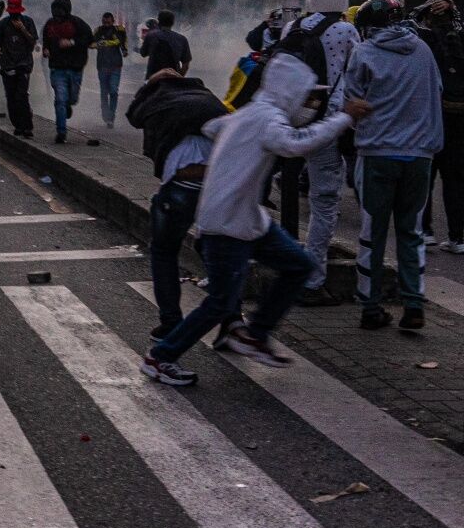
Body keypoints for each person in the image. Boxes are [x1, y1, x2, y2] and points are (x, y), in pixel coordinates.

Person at [140, 53, 355, 387]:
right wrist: (344, 118)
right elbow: (297, 144)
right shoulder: (268, 120)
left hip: (248, 219)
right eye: (307, 96)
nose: (310, 104)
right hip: (228, 225)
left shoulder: (248, 114)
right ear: (290, 92)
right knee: (220, 302)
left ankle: (254, 334)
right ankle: (161, 357)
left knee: (299, 265)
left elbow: (214, 127)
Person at [337, 0, 444, 331]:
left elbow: (350, 102)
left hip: (377, 155)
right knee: (410, 232)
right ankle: (413, 305)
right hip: (420, 157)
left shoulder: (364, 53)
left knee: (373, 232)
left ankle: (371, 307)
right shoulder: (424, 51)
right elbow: (437, 89)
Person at [126, 65, 229, 339]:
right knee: (217, 252)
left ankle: (171, 321)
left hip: (181, 185)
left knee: (163, 251)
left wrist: (149, 85)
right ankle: (232, 321)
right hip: (219, 184)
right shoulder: (207, 96)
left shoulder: (159, 99)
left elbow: (133, 116)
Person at [289, 0, 362, 305]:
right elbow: (358, 72)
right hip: (329, 121)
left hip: (292, 117)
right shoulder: (347, 31)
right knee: (325, 202)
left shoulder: (292, 27)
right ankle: (312, 278)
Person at [412, 0, 464, 254]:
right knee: (457, 180)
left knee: (425, 178)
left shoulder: (422, 44)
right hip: (458, 122)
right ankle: (457, 237)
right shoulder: (462, 42)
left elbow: (409, 19)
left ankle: (425, 230)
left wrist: (425, 9)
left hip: (430, 120)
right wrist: (452, 8)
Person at [40, 0, 90, 143]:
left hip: (75, 68)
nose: (57, 17)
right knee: (60, 99)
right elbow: (46, 40)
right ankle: (61, 132)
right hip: (57, 67)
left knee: (72, 98)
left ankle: (69, 105)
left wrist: (72, 42)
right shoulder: (49, 24)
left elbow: (89, 39)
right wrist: (46, 49)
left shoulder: (78, 23)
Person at [0, 0, 40, 137]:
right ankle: (18, 124)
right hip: (8, 64)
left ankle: (27, 126)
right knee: (11, 97)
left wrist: (23, 30)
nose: (14, 16)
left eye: (16, 13)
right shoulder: (3, 24)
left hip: (23, 64)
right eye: (12, 13)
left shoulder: (28, 22)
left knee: (22, 96)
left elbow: (33, 42)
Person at [90, 12, 128, 128]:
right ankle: (106, 114)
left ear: (112, 21)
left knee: (113, 90)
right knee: (104, 91)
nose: (106, 24)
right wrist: (99, 44)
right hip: (102, 65)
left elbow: (123, 42)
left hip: (116, 65)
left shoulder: (119, 30)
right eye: (104, 22)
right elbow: (90, 44)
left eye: (108, 22)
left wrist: (124, 50)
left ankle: (111, 117)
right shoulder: (98, 31)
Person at [141, 8, 191, 77]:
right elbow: (186, 65)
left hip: (153, 78)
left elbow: (143, 53)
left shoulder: (151, 36)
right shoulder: (182, 39)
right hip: (173, 80)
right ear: (173, 22)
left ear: (159, 21)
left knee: (143, 88)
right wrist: (179, 78)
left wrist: (145, 40)